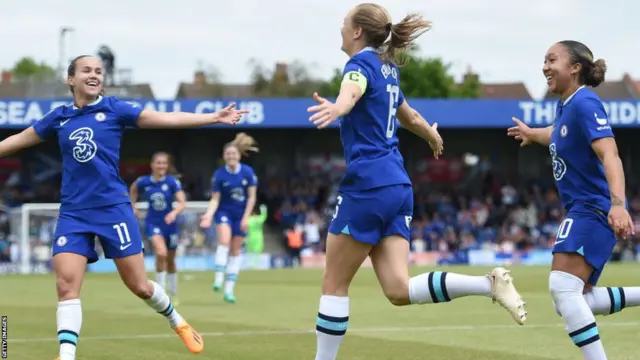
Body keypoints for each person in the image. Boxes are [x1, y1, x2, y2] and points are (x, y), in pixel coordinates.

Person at [306, 4, 526, 360]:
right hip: (397, 186)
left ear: (358, 31)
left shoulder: (359, 65)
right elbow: (408, 115)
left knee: (334, 284)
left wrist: (338, 107)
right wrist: (430, 135)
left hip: (368, 184)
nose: (341, 27)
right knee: (397, 289)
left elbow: (353, 89)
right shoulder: (388, 70)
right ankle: (488, 285)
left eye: (344, 23)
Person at [0, 55, 247, 360]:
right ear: (70, 79)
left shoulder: (115, 109)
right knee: (66, 285)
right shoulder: (58, 118)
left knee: (140, 286)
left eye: (99, 72)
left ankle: (176, 320)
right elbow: (20, 139)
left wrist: (212, 117)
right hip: (74, 213)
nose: (94, 75)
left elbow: (165, 118)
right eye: (87, 71)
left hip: (114, 210)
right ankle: (66, 356)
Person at [508, 40, 639, 359]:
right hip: (582, 209)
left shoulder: (585, 103)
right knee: (570, 297)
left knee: (563, 289)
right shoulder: (567, 106)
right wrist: (533, 133)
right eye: (544, 60)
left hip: (593, 209)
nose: (545, 67)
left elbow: (610, 154)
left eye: (552, 60)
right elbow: (558, 132)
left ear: (575, 67)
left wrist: (618, 204)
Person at [200, 133, 258, 303]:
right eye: (228, 154)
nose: (231, 156)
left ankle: (229, 291)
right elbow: (215, 199)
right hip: (224, 213)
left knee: (235, 251)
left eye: (233, 154)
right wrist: (209, 215)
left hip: (241, 215)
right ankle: (218, 279)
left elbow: (252, 197)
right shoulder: (219, 175)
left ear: (239, 155)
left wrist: (246, 217)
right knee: (224, 241)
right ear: (224, 156)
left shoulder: (247, 172)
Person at [130, 152, 186, 305]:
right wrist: (132, 206)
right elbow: (133, 189)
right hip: (153, 223)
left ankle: (173, 293)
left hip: (170, 225)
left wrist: (173, 213)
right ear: (152, 165)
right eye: (158, 163)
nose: (161, 166)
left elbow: (182, 202)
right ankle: (161, 294)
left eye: (164, 163)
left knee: (171, 261)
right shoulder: (144, 181)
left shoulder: (172, 182)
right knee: (161, 253)